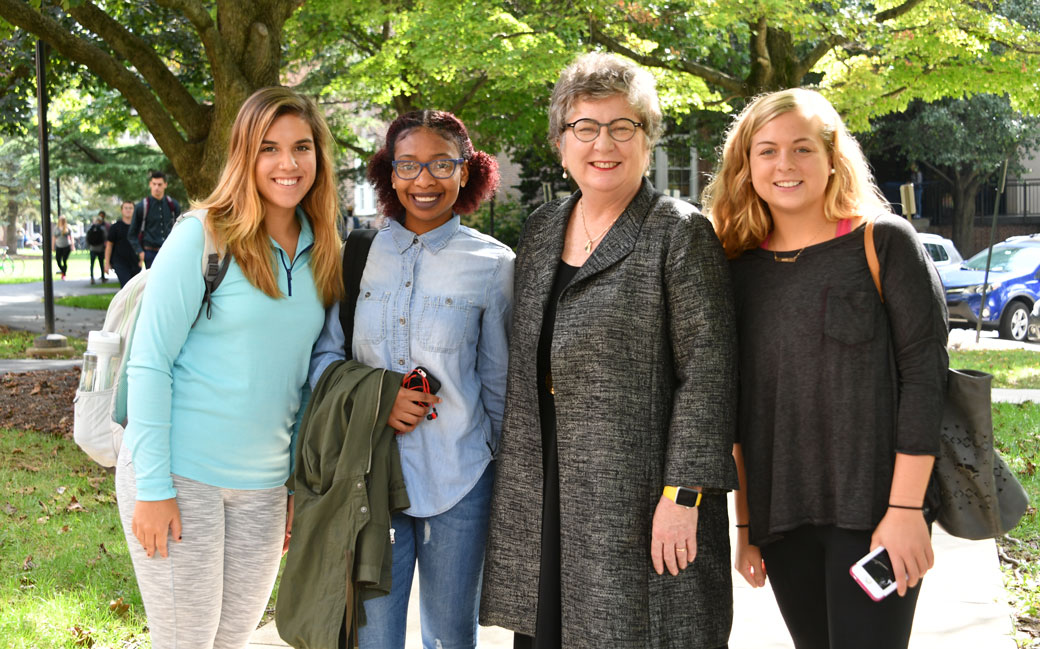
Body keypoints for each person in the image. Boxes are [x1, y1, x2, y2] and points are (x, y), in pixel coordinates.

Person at [480, 52, 738, 649]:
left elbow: (710, 375)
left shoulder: (679, 232)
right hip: (547, 483)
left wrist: (684, 494)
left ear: (646, 141)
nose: (605, 143)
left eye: (624, 126)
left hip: (641, 495)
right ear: (561, 142)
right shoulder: (544, 228)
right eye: (586, 127)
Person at [702, 88, 948, 649]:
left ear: (833, 156)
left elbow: (925, 383)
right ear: (745, 165)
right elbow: (738, 409)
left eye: (802, 148)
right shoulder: (735, 268)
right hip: (781, 516)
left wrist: (907, 509)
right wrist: (745, 527)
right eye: (766, 151)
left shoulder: (883, 243)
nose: (784, 165)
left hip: (878, 514)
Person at [114, 86, 343, 649]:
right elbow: (149, 362)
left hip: (264, 489)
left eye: (301, 147)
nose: (288, 163)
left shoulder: (326, 248)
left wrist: (290, 486)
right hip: (179, 476)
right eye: (269, 148)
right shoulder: (203, 235)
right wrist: (153, 486)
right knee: (187, 641)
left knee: (230, 641)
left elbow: (303, 383)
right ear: (244, 153)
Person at [308, 109, 513, 649]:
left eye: (441, 164)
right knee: (373, 640)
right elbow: (324, 359)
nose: (424, 180)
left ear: (466, 172)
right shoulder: (355, 255)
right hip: (369, 480)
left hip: (462, 479)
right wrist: (380, 400)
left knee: (451, 638)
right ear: (389, 173)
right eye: (408, 166)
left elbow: (498, 387)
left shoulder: (494, 266)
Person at [128, 170, 182, 268]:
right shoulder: (142, 206)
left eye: (160, 184)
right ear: (150, 184)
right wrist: (140, 252)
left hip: (170, 252)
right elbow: (132, 234)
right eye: (154, 184)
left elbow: (180, 230)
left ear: (165, 185)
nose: (157, 187)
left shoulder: (173, 205)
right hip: (150, 253)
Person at [105, 201, 143, 287]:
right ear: (122, 210)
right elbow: (109, 245)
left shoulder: (139, 227)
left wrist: (141, 260)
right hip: (120, 262)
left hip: (135, 262)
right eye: (126, 208)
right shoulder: (115, 227)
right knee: (126, 286)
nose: (128, 210)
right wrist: (107, 263)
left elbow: (142, 244)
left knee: (134, 288)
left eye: (130, 208)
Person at [86, 211, 108, 284]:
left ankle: (92, 277)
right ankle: (102, 277)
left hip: (92, 248)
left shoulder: (91, 228)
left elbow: (87, 238)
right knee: (101, 263)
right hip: (100, 248)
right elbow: (105, 238)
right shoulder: (102, 228)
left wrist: (89, 246)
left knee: (92, 264)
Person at [52, 215, 73, 280]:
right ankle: (63, 270)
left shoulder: (67, 227)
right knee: (58, 259)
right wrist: (53, 246)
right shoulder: (56, 228)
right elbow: (54, 238)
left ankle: (64, 274)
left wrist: (72, 245)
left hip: (66, 246)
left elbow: (71, 237)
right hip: (59, 246)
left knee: (64, 260)